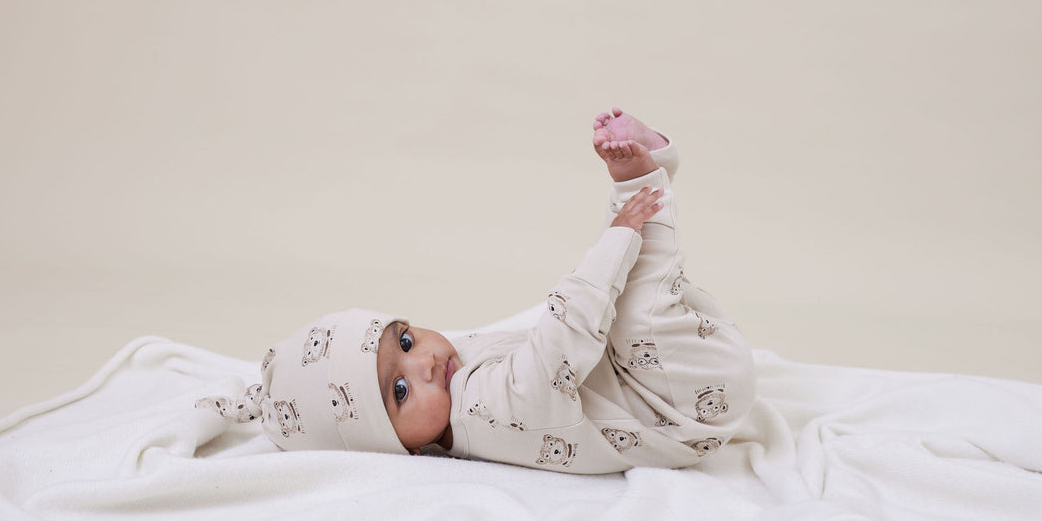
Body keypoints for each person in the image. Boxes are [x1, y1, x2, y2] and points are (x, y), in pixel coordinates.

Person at [197, 108, 756, 473]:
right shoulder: (484, 416)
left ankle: (646, 185)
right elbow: (556, 350)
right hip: (682, 404)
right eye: (398, 391)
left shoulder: (450, 386)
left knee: (630, 296)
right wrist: (614, 242)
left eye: (405, 341)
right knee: (634, 307)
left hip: (656, 377)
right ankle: (644, 184)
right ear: (404, 448)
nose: (422, 364)